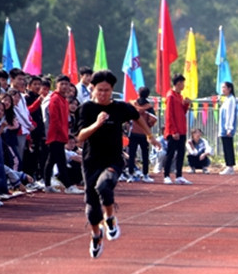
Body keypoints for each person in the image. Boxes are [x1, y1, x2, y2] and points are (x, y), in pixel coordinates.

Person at [77, 70, 159, 258]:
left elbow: (137, 116)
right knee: (91, 208)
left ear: (112, 90)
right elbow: (80, 136)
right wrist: (97, 124)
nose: (103, 94)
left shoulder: (120, 108)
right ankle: (96, 235)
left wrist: (150, 136)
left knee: (104, 186)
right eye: (99, 90)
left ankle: (111, 218)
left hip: (113, 158)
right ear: (93, 90)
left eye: (107, 90)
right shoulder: (86, 109)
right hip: (90, 161)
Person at [44, 75, 73, 192]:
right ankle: (68, 186)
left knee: (51, 161)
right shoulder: (55, 99)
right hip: (56, 135)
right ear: (57, 85)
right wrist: (62, 134)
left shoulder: (63, 99)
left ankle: (47, 185)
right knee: (60, 161)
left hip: (61, 135)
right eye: (62, 84)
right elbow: (54, 119)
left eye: (67, 84)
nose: (65, 86)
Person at [162, 74, 191, 184]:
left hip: (182, 129)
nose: (184, 85)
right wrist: (173, 131)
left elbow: (182, 112)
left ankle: (179, 175)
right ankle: (166, 175)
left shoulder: (179, 96)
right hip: (173, 130)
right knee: (170, 153)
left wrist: (186, 105)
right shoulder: (170, 96)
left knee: (181, 153)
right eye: (183, 83)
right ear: (178, 84)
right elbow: (169, 115)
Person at [125, 86, 154, 182]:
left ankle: (130, 175)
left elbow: (127, 117)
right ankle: (145, 175)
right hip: (144, 133)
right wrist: (148, 126)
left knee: (132, 154)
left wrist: (129, 124)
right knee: (145, 154)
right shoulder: (149, 107)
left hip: (133, 132)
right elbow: (153, 119)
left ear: (138, 93)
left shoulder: (132, 104)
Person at [217, 81, 238, 174]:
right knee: (226, 146)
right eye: (222, 88)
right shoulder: (226, 99)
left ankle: (230, 166)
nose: (222, 90)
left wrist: (229, 128)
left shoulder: (231, 100)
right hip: (223, 127)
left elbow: (230, 114)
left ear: (229, 89)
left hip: (227, 128)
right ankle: (228, 165)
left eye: (224, 87)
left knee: (228, 146)